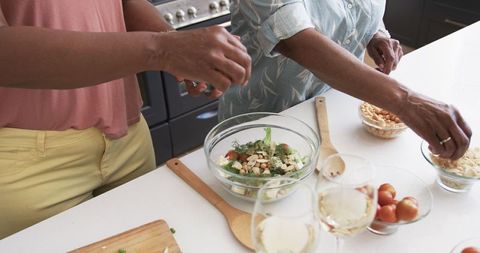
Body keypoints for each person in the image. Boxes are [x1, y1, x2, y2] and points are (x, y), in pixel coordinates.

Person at [0, 0, 251, 239]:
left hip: (128, 136)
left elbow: (125, 3)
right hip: (28, 163)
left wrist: (180, 48)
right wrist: (163, 50)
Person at [219, 0, 471, 160]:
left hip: (333, 114)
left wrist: (375, 32)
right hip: (264, 120)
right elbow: (295, 39)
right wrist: (405, 100)